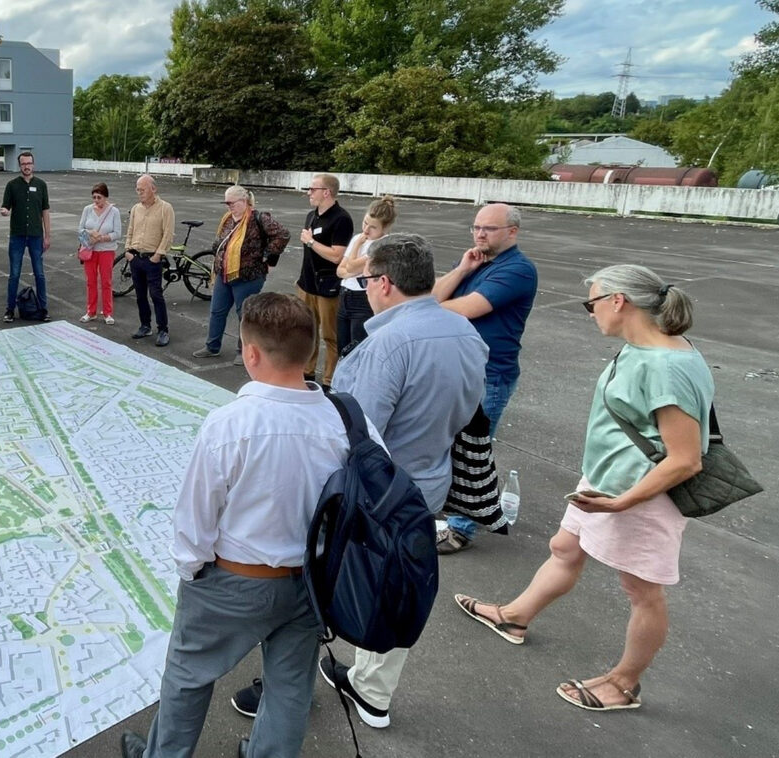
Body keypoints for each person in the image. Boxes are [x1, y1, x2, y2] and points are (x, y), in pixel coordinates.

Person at [230, 234, 487, 729]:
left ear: (384, 282)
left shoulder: (383, 348)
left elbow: (345, 440)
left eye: (367, 280)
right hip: (427, 486)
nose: (365, 288)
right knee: (393, 586)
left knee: (316, 588)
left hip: (368, 500)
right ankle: (372, 691)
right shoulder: (464, 333)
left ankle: (287, 691)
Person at [120, 293, 381, 758]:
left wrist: (193, 572)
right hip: (311, 582)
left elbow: (195, 519)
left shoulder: (229, 424)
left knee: (188, 676)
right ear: (310, 353)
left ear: (251, 353)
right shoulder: (348, 419)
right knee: (289, 687)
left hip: (234, 580)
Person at [455, 265, 711, 713]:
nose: (589, 313)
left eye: (591, 304)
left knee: (642, 592)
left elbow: (686, 458)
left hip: (639, 496)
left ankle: (623, 685)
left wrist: (621, 503)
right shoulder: (641, 348)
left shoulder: (667, 367)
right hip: (605, 485)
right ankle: (514, 617)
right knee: (565, 547)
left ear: (618, 301)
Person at [431, 202, 538, 554]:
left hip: (489, 375)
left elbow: (467, 308)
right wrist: (462, 269)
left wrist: (416, 307)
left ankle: (461, 529)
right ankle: (446, 514)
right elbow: (434, 295)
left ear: (512, 232)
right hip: (458, 369)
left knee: (473, 449)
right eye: (476, 227)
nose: (480, 234)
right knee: (448, 445)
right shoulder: (475, 263)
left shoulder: (518, 269)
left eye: (489, 228)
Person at [192, 185, 289, 366]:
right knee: (217, 311)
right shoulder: (228, 219)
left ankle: (243, 351)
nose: (229, 206)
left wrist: (268, 257)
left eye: (232, 202)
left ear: (244, 201)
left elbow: (282, 235)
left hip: (248, 276)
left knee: (244, 315)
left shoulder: (259, 218)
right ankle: (212, 347)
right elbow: (220, 241)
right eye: (226, 203)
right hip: (225, 274)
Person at [297, 173, 354, 390]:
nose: (309, 193)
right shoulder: (312, 215)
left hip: (327, 287)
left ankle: (329, 381)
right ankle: (306, 373)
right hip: (307, 284)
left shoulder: (341, 219)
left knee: (330, 336)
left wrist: (311, 242)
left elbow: (337, 256)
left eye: (313, 189)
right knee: (307, 331)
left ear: (326, 192)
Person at [335, 196, 397, 356]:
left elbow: (350, 266)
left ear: (385, 228)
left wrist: (356, 246)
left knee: (359, 350)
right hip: (345, 295)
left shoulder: (383, 245)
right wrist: (351, 270)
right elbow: (340, 270)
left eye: (373, 227)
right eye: (365, 223)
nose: (366, 230)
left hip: (363, 299)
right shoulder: (360, 237)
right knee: (342, 348)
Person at [0, 151, 51, 322]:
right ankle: (9, 309)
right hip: (17, 236)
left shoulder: (41, 185)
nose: (26, 166)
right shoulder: (12, 185)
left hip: (36, 236)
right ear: (19, 165)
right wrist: (5, 211)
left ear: (33, 164)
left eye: (29, 163)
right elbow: (6, 206)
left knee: (39, 274)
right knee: (14, 274)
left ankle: (43, 309)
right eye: (23, 164)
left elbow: (45, 211)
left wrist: (47, 235)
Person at [124, 175, 175, 347]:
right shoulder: (136, 209)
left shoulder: (165, 208)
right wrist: (127, 250)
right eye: (137, 189)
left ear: (153, 189)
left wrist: (158, 255)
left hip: (153, 259)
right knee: (140, 296)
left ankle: (163, 330)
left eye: (142, 189)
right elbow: (130, 230)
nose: (139, 193)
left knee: (156, 294)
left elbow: (168, 234)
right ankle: (145, 325)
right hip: (136, 258)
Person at [76, 182, 121, 324]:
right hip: (90, 250)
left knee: (106, 281)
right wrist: (90, 234)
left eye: (99, 197)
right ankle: (91, 311)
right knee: (91, 281)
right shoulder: (87, 210)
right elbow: (80, 229)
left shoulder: (114, 212)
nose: (96, 201)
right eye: (94, 197)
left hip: (106, 250)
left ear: (105, 197)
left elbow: (117, 233)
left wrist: (102, 238)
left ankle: (108, 313)